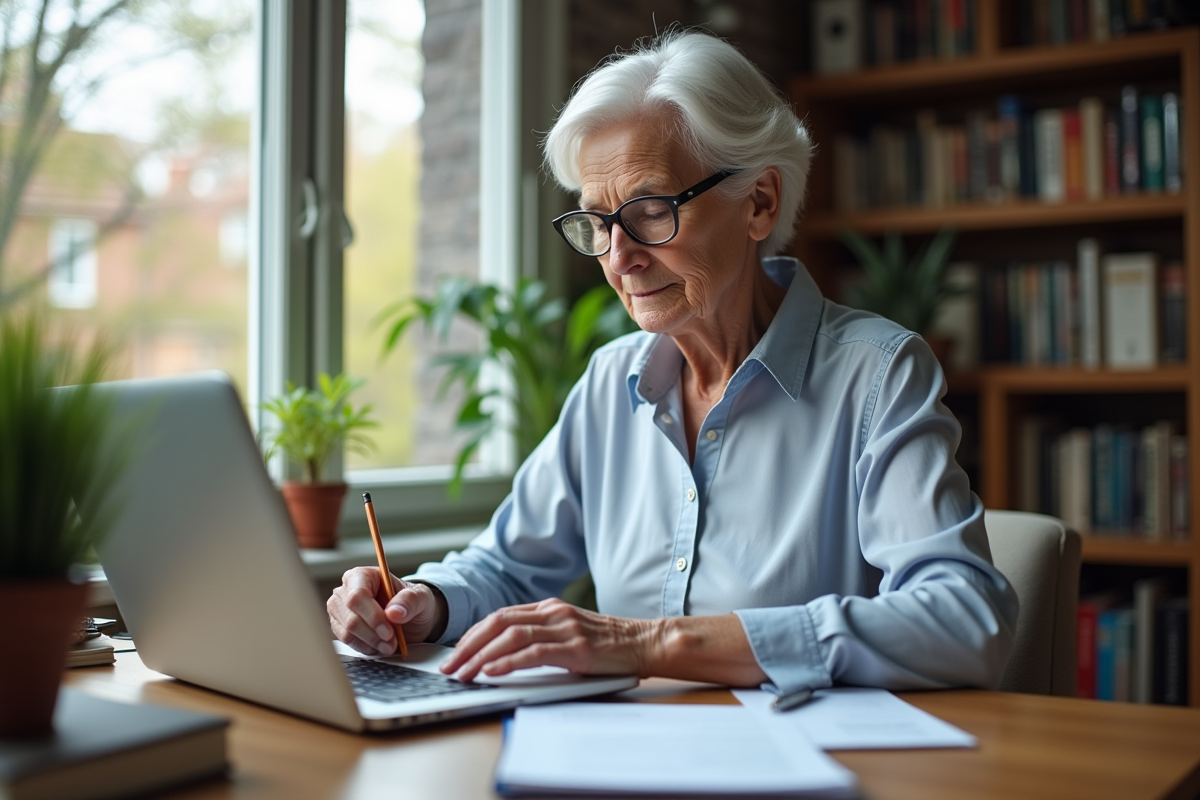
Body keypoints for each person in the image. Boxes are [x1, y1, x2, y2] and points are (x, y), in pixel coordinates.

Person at [328, 29, 1018, 695]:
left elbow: (965, 620)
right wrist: (419, 602)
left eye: (650, 210)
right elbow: (508, 564)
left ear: (759, 201)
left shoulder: (878, 376)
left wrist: (653, 644)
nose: (620, 257)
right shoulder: (609, 384)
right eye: (598, 223)